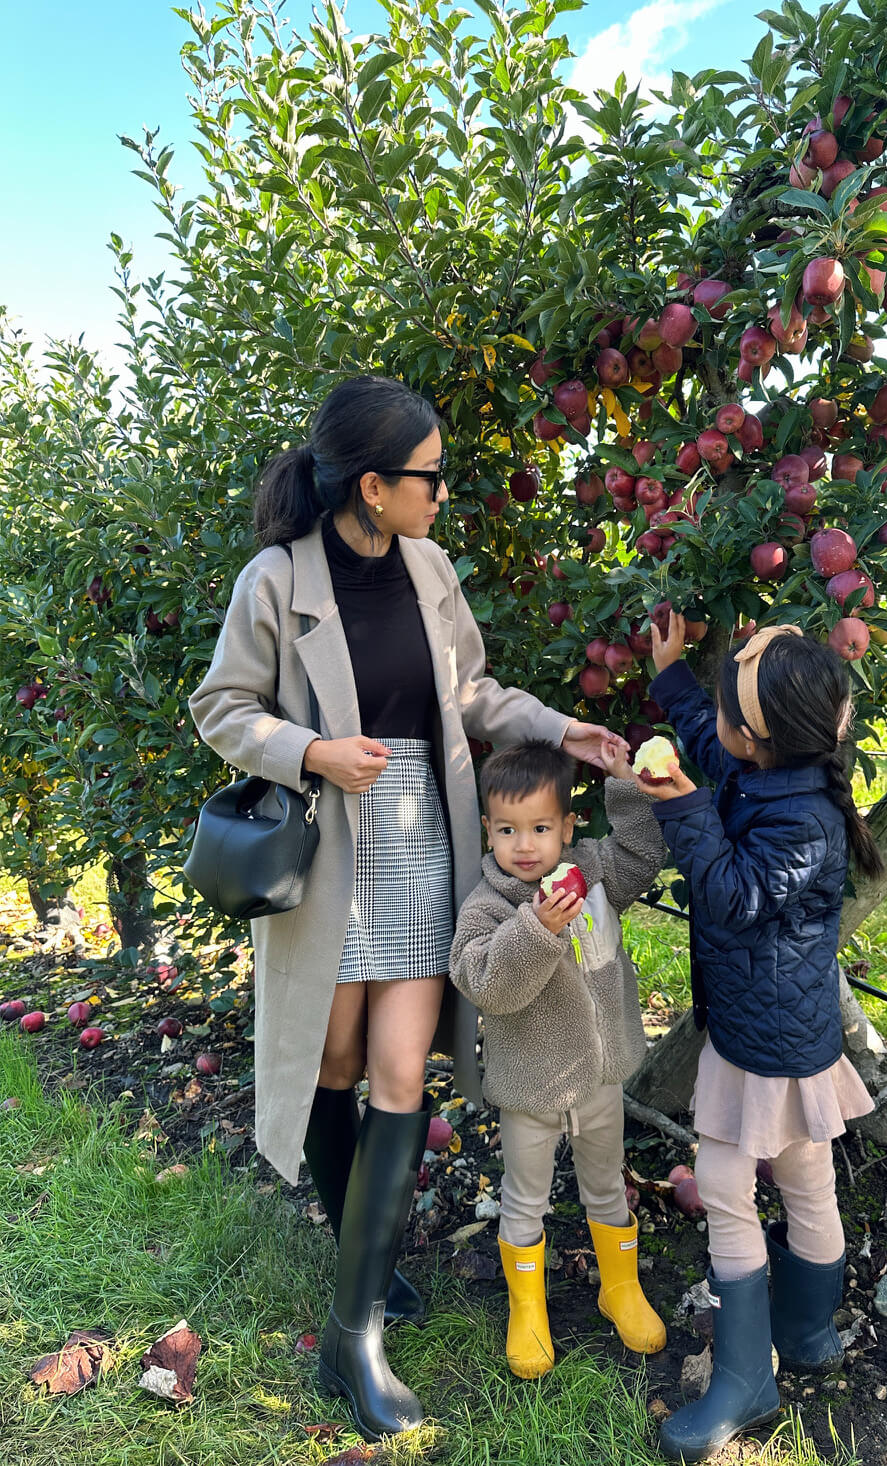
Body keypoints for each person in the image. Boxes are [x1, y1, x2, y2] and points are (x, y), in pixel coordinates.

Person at [189, 376, 622, 1443]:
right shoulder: (276, 579)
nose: (442, 494)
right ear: (373, 485)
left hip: (425, 834)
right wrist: (309, 751)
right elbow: (220, 706)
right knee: (334, 1067)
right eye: (428, 477)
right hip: (332, 843)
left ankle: (354, 1331)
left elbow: (471, 694)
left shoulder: (428, 570)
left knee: (397, 1073)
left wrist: (562, 728)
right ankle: (363, 1265)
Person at [631, 616, 883, 1465]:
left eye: (728, 715)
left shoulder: (800, 822)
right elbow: (709, 737)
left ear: (761, 739)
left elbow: (734, 897)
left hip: (762, 1046)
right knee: (808, 1178)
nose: (717, 730)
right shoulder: (778, 769)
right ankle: (808, 1331)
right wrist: (670, 677)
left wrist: (678, 808)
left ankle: (746, 1376)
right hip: (784, 1032)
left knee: (728, 1188)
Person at [450, 739, 667, 1379]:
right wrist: (537, 930)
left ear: (567, 828)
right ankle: (529, 1308)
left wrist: (625, 782)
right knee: (526, 1200)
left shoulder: (594, 876)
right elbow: (485, 982)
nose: (525, 845)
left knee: (607, 1187)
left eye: (541, 828)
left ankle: (618, 1289)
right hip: (530, 1094)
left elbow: (641, 854)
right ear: (488, 830)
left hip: (598, 1082)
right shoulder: (489, 907)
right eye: (509, 830)